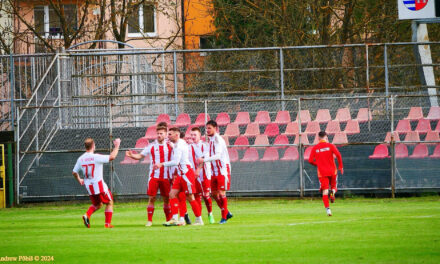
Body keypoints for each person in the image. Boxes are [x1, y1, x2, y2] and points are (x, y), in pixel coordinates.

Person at [155, 127, 203, 226]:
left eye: (170, 134)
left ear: (176, 135)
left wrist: (162, 164)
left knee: (190, 197)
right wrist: (172, 145)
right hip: (181, 175)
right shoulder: (179, 143)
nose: (168, 136)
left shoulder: (179, 145)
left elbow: (176, 162)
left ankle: (199, 220)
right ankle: (175, 219)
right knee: (172, 194)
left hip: (186, 174)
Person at [125, 126, 173, 226]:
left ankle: (168, 220)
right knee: (152, 198)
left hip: (166, 177)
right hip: (154, 177)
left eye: (161, 133)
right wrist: (132, 155)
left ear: (165, 134)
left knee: (166, 199)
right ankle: (149, 220)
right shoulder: (151, 146)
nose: (159, 135)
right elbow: (140, 156)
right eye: (158, 133)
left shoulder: (170, 146)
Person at [73, 137, 121, 228]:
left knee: (98, 204)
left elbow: (74, 172)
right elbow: (112, 157)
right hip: (99, 186)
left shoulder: (81, 159)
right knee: (110, 202)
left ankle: (87, 215)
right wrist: (117, 145)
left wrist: (79, 180)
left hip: (89, 187)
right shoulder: (96, 157)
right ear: (93, 146)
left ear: (85, 147)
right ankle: (107, 224)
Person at [198, 120, 233, 224]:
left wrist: (204, 160)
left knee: (222, 193)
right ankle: (227, 212)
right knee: (213, 193)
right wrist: (202, 157)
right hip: (214, 170)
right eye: (206, 128)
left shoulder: (218, 139)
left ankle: (224, 218)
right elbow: (207, 152)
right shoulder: (210, 140)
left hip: (222, 169)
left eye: (209, 128)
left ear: (215, 128)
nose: (207, 130)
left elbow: (218, 156)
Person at [308, 131, 344, 216]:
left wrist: (318, 164)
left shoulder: (315, 148)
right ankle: (332, 193)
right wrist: (341, 167)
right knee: (334, 187)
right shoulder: (330, 146)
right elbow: (338, 155)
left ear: (318, 138)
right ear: (326, 137)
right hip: (332, 171)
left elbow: (310, 160)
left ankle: (328, 210)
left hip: (322, 172)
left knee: (325, 190)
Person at [189, 127, 215, 224]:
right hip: (194, 175)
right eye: (191, 135)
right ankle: (199, 218)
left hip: (204, 174)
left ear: (200, 136)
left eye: (194, 135)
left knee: (206, 195)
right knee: (196, 196)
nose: (192, 137)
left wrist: (198, 169)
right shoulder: (189, 147)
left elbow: (203, 159)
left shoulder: (205, 146)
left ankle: (210, 213)